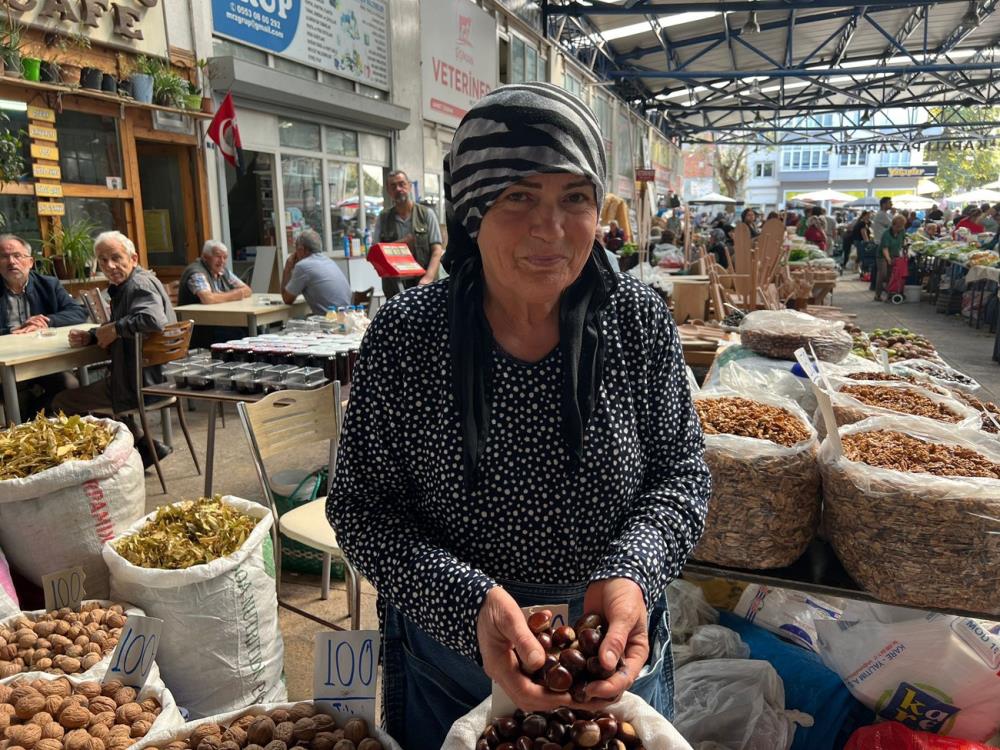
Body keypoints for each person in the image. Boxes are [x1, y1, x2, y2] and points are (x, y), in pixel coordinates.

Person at [327, 83, 711, 750]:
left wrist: (632, 575)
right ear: (473, 209)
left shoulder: (638, 323)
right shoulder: (408, 338)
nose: (551, 228)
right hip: (453, 660)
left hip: (611, 661)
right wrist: (467, 604)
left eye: (574, 198)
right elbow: (361, 508)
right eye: (519, 197)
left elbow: (681, 473)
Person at [54, 231, 175, 466]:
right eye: (102, 260)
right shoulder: (133, 283)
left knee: (62, 401)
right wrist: (91, 336)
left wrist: (115, 329)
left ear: (134, 258)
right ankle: (144, 445)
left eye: (116, 257)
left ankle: (98, 465)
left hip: (139, 384)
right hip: (157, 379)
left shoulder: (137, 285)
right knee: (95, 390)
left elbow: (152, 319)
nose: (109, 266)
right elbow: (121, 326)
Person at [0, 233, 87, 416]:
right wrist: (11, 330)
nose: (11, 262)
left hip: (41, 361)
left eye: (17, 256)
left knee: (69, 386)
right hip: (4, 367)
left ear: (30, 262)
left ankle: (31, 419)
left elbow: (79, 312)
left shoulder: (48, 284)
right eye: (4, 257)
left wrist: (46, 321)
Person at [372, 169, 444, 299]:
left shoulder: (426, 214)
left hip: (423, 286)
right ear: (388, 191)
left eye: (402, 184)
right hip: (394, 288)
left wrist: (428, 277)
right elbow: (375, 253)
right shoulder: (383, 218)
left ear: (409, 186)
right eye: (393, 186)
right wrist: (402, 243)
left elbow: (437, 251)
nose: (398, 189)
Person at [280, 230, 352, 314]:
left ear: (301, 249)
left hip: (330, 321)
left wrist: (287, 269)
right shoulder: (329, 261)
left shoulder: (303, 266)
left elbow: (287, 299)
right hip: (347, 316)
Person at [178, 241, 251, 306]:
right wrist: (235, 295)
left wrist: (220, 297)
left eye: (225, 257)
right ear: (205, 257)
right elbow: (208, 299)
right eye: (218, 256)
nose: (222, 261)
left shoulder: (222, 270)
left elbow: (247, 290)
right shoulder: (196, 272)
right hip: (196, 318)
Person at [876, 214, 907, 302]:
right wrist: (888, 259)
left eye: (901, 227)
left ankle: (890, 294)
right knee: (883, 274)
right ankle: (878, 294)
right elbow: (884, 248)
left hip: (895, 254)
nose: (899, 229)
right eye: (897, 227)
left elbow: (903, 241)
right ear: (893, 225)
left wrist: (904, 250)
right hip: (882, 256)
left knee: (892, 275)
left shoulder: (902, 231)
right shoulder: (886, 234)